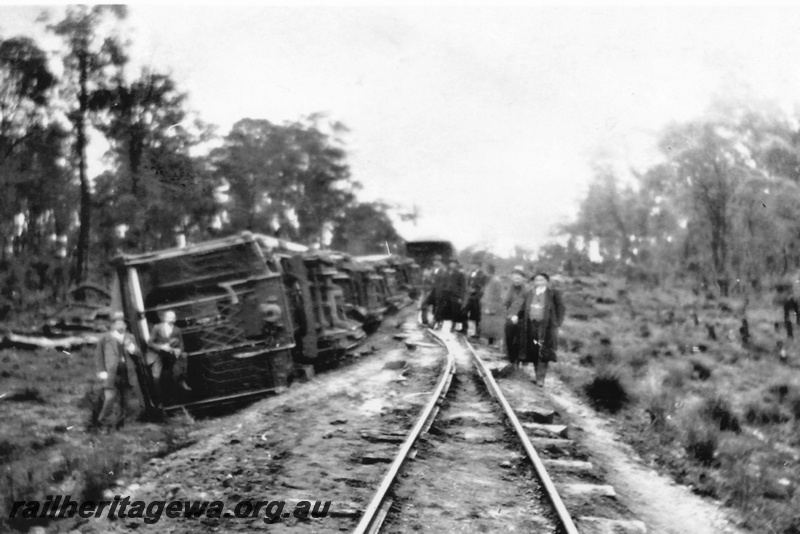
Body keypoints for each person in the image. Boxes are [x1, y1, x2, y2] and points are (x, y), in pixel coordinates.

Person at [512, 272, 566, 387]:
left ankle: (540, 379)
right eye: (537, 280)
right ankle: (535, 374)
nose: (539, 282)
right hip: (530, 325)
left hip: (545, 327)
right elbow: (523, 307)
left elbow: (561, 309)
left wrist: (557, 324)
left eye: (541, 280)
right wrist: (517, 316)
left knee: (543, 351)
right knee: (533, 349)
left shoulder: (553, 294)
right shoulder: (530, 293)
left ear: (546, 281)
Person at [94, 311, 141, 430]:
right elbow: (99, 356)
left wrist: (131, 347)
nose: (120, 326)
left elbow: (138, 353)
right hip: (112, 372)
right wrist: (101, 371)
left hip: (127, 372)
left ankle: (119, 424)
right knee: (110, 397)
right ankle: (102, 421)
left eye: (122, 324)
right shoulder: (105, 339)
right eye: (118, 324)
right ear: (113, 325)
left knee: (125, 400)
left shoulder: (130, 337)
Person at [147, 309, 191, 408]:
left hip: (169, 355)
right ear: (165, 318)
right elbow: (150, 343)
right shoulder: (157, 328)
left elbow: (181, 343)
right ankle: (158, 400)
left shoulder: (177, 330)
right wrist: (162, 347)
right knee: (156, 377)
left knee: (173, 372)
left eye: (173, 317)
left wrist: (178, 350)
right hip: (157, 354)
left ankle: (180, 382)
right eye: (169, 317)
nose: (172, 319)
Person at [503, 266, 528, 366]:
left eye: (519, 277)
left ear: (523, 278)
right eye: (515, 277)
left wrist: (518, 316)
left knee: (520, 340)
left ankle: (519, 360)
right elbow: (506, 303)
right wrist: (508, 314)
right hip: (511, 317)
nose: (516, 280)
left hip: (522, 318)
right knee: (509, 337)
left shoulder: (527, 290)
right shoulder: (511, 289)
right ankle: (511, 359)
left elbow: (527, 306)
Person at [464, 257, 488, 338]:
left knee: (477, 316)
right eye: (472, 265)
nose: (472, 266)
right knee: (464, 312)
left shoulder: (482, 275)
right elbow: (468, 283)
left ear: (478, 266)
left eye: (474, 265)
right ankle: (464, 329)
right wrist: (468, 289)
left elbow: (483, 287)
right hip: (469, 296)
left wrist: (476, 292)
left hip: (477, 298)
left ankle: (477, 333)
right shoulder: (471, 273)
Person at [480, 264, 504, 345]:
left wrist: (493, 307)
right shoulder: (490, 280)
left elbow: (498, 295)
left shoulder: (496, 281)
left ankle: (494, 342)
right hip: (488, 305)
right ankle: (490, 341)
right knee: (488, 324)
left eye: (485, 270)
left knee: (493, 324)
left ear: (489, 271)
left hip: (493, 306)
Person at [421, 254, 447, 328]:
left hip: (440, 291)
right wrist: (427, 280)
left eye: (437, 261)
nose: (435, 262)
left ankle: (437, 322)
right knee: (424, 305)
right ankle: (425, 321)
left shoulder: (443, 270)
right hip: (432, 290)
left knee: (438, 308)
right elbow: (428, 279)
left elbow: (444, 281)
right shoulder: (432, 270)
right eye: (434, 261)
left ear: (440, 262)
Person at [442, 258, 467, 332]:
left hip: (455, 295)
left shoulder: (460, 274)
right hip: (446, 294)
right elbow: (443, 283)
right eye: (451, 263)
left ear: (456, 265)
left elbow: (462, 286)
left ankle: (453, 326)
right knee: (443, 309)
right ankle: (440, 324)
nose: (452, 265)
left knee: (455, 311)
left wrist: (460, 297)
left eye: (454, 264)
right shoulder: (446, 273)